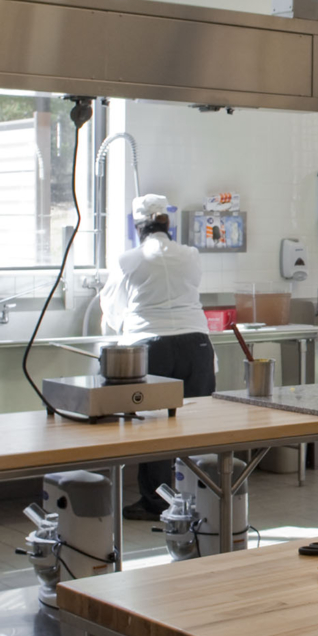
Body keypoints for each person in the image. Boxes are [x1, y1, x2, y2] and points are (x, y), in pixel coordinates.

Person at [102, 194, 217, 519]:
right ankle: (201, 494)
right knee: (197, 421)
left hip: (151, 348)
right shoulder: (191, 255)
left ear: (137, 227)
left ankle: (157, 502)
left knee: (153, 425)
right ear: (169, 224)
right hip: (196, 345)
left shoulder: (129, 260)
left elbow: (113, 310)